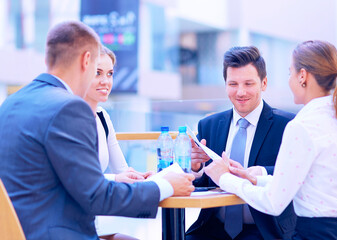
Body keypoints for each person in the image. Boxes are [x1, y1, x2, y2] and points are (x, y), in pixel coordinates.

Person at [0, 21, 195, 240]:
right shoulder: (69, 107)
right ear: (86, 61)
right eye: (97, 70)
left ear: (48, 59)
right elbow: (97, 197)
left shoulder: (10, 103)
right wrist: (164, 186)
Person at [205, 40, 337, 240]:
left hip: (315, 234)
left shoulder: (302, 126)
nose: (289, 80)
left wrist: (225, 179)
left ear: (302, 76)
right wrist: (257, 178)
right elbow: (311, 182)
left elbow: (273, 202)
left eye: (290, 73)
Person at [186, 46, 296, 240]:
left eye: (248, 83)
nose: (240, 92)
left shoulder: (287, 125)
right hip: (213, 228)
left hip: (264, 229)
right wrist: (196, 169)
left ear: (264, 83)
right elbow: (203, 185)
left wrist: (258, 172)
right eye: (233, 84)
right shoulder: (209, 125)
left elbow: (292, 174)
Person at [84, 45, 151, 184]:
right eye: (98, 73)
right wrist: (115, 178)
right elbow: (75, 178)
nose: (106, 81)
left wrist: (140, 177)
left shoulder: (102, 117)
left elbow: (121, 170)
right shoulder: (67, 117)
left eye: (110, 74)